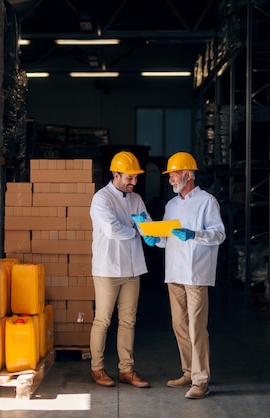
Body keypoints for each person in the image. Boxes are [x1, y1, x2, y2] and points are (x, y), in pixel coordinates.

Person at [154, 151, 225, 399]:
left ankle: (201, 380)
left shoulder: (207, 201)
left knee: (197, 327)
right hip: (174, 272)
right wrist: (155, 238)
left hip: (195, 273)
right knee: (179, 326)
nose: (171, 179)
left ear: (188, 174)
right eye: (170, 175)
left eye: (174, 174)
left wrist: (194, 234)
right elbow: (166, 238)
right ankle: (188, 371)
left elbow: (219, 234)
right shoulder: (171, 205)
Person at [89, 151, 159, 388]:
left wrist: (156, 234)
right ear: (115, 174)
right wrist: (138, 230)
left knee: (128, 321)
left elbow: (147, 224)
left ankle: (126, 370)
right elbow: (112, 230)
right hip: (107, 269)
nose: (134, 182)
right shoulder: (102, 199)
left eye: (136, 178)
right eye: (129, 178)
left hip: (132, 268)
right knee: (103, 320)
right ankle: (97, 369)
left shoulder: (136, 198)